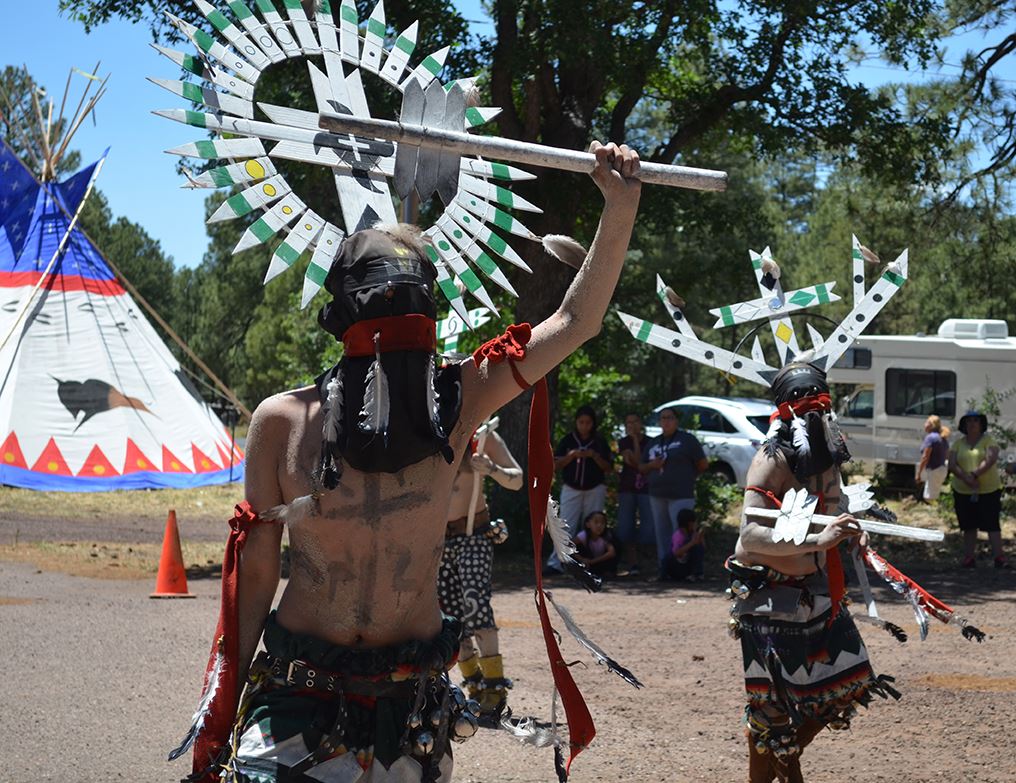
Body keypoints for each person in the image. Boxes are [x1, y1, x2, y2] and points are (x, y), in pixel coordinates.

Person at [177, 142, 643, 783]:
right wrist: (218, 718)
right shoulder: (281, 421)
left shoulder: (460, 396)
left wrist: (620, 206)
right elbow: (252, 581)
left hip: (412, 703)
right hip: (297, 691)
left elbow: (577, 320)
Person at [731, 361, 899, 783]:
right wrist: (818, 542)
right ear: (788, 410)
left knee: (848, 686)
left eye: (821, 403)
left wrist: (849, 535)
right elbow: (750, 536)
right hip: (772, 598)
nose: (816, 412)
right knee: (774, 712)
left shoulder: (827, 454)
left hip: (819, 592)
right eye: (807, 404)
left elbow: (834, 508)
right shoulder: (770, 460)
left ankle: (777, 766)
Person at [439, 424, 521, 724]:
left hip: (475, 536)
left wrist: (492, 469)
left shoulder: (483, 436)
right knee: (449, 618)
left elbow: (517, 480)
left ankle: (495, 689)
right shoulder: (430, 433)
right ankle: (473, 684)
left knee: (475, 605)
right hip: (438, 540)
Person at [638, 407, 707, 579]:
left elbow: (703, 464)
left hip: (682, 494)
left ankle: (688, 571)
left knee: (682, 533)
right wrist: (652, 466)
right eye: (662, 418)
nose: (666, 421)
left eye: (670, 418)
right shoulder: (654, 442)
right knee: (662, 534)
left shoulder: (687, 440)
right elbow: (641, 467)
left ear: (676, 421)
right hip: (657, 494)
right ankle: (665, 570)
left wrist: (687, 477)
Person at [547, 406, 614, 573]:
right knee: (565, 525)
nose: (584, 426)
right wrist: (572, 456)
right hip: (572, 488)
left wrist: (594, 455)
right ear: (576, 422)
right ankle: (557, 563)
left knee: (595, 527)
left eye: (588, 423)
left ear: (593, 423)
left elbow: (608, 467)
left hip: (595, 488)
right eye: (581, 422)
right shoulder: (568, 440)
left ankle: (595, 563)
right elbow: (555, 464)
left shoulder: (599, 441)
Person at [949, 410, 1007, 569]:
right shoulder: (958, 443)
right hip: (963, 490)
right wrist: (965, 478)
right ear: (964, 425)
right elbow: (952, 464)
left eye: (976, 421)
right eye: (969, 421)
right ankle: (969, 558)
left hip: (988, 490)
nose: (972, 424)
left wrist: (974, 475)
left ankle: (999, 558)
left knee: (992, 524)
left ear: (981, 424)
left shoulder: (989, 441)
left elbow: (990, 459)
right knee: (968, 525)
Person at [616, 412, 655, 576]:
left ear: (641, 423)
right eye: (628, 423)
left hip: (646, 489)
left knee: (648, 527)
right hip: (627, 488)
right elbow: (635, 462)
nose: (631, 425)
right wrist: (633, 441)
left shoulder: (651, 442)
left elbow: (641, 461)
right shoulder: (623, 442)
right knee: (626, 527)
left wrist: (637, 443)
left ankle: (645, 563)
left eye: (634, 421)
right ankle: (632, 563)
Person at [661, 508, 705, 581]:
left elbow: (702, 549)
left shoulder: (693, 534)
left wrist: (699, 537)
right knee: (666, 558)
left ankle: (696, 574)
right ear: (689, 523)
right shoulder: (678, 535)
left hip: (687, 565)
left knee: (698, 548)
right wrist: (691, 543)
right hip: (676, 565)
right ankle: (664, 576)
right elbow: (676, 553)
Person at [573, 510, 619, 577]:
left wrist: (592, 561)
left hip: (599, 562)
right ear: (588, 524)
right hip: (586, 561)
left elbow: (611, 553)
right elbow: (567, 546)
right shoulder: (583, 535)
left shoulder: (606, 536)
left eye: (602, 523)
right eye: (596, 522)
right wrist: (582, 559)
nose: (599, 525)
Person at [916, 415, 950, 502]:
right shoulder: (942, 438)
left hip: (934, 469)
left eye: (927, 422)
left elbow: (925, 456)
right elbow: (946, 455)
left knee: (929, 498)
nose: (924, 424)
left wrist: (919, 473)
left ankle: (933, 512)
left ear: (931, 425)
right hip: (942, 469)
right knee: (934, 495)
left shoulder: (930, 438)